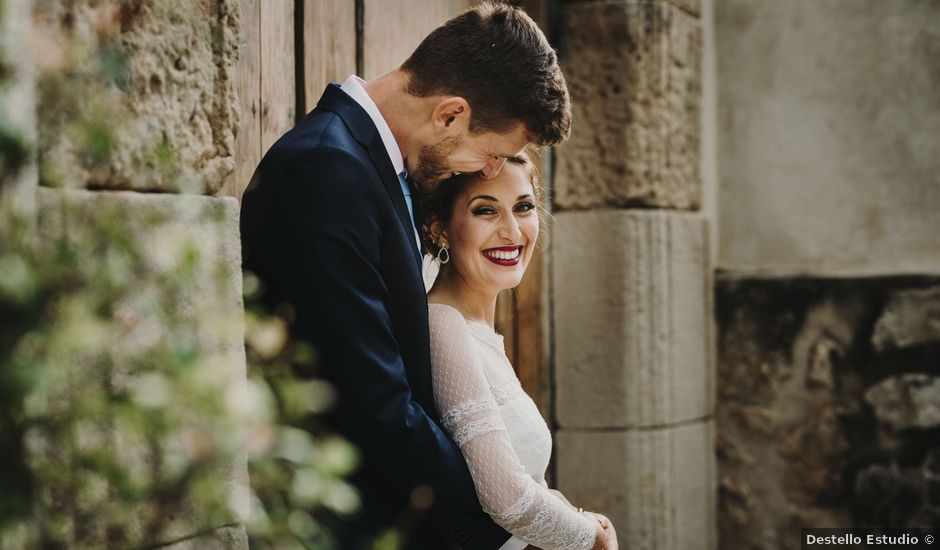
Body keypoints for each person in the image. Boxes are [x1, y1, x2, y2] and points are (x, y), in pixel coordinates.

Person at [239, 3, 573, 548]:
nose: (488, 173)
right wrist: (516, 517)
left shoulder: (373, 171)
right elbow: (375, 408)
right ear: (449, 114)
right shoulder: (326, 170)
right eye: (490, 155)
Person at [421, 152, 618, 550]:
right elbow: (505, 498)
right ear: (439, 228)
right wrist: (591, 538)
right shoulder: (442, 325)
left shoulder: (478, 331)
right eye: (485, 211)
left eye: (523, 207)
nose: (512, 232)